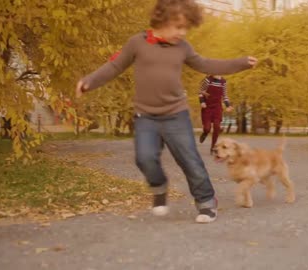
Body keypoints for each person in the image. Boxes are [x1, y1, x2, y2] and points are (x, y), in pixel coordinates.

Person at [75, 0, 258, 223]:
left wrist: (240, 63)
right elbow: (114, 66)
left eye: (186, 28)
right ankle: (159, 187)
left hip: (176, 115)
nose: (182, 33)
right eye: (178, 27)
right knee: (144, 158)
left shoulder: (183, 48)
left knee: (190, 160)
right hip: (145, 116)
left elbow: (207, 65)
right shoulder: (137, 43)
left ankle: (207, 202)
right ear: (161, 20)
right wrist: (89, 81)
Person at [199, 75, 233, 153]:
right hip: (207, 107)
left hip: (217, 107)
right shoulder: (207, 80)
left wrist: (228, 105)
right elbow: (201, 92)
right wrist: (202, 102)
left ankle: (213, 147)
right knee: (207, 128)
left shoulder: (223, 82)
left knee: (217, 126)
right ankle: (205, 133)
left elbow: (225, 96)